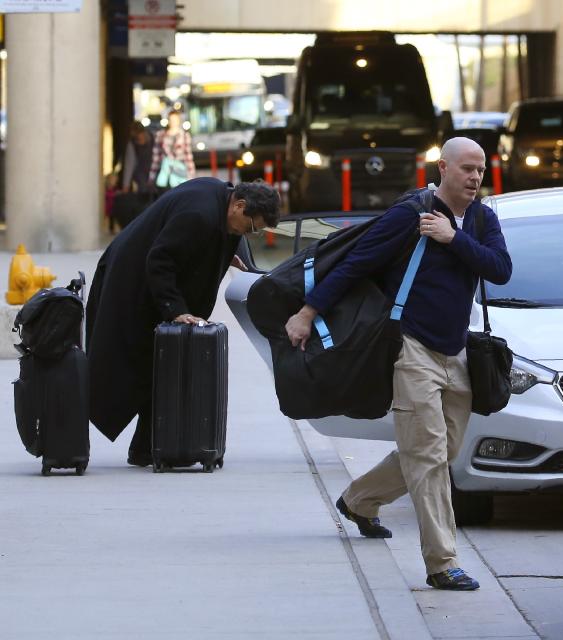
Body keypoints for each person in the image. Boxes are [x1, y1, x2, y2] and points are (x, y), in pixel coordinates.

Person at [284, 137, 512, 591]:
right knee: (428, 455)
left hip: (458, 351)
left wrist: (454, 238)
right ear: (442, 168)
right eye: (466, 169)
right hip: (411, 349)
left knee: (440, 449)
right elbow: (354, 264)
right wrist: (308, 312)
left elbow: (500, 268)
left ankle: (360, 499)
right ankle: (442, 562)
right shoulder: (410, 215)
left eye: (480, 171)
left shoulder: (483, 218)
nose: (474, 178)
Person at [85, 178, 279, 466]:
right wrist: (175, 310)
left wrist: (227, 252)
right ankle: (143, 447)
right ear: (239, 205)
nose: (247, 234)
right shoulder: (198, 214)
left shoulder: (220, 198)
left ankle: (148, 448)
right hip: (131, 283)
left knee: (164, 364)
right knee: (138, 365)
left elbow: (210, 238)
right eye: (251, 227)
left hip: (145, 280)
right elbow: (161, 260)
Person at [148, 110, 196, 191]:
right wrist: (151, 176)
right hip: (165, 175)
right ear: (168, 120)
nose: (173, 122)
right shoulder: (160, 135)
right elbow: (156, 158)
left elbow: (188, 156)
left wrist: (192, 176)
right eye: (171, 120)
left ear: (179, 121)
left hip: (180, 173)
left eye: (175, 120)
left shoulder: (184, 136)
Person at [121, 121, 154, 194]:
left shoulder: (153, 139)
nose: (140, 138)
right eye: (137, 136)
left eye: (141, 134)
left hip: (153, 170)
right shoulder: (132, 145)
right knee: (143, 191)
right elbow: (129, 165)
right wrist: (126, 185)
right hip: (140, 174)